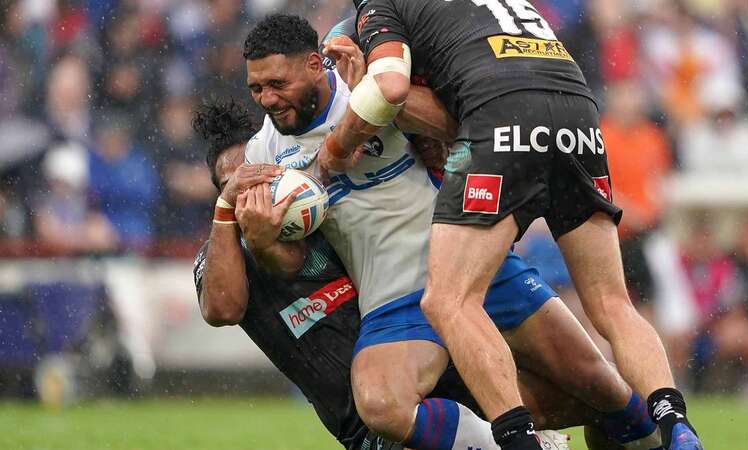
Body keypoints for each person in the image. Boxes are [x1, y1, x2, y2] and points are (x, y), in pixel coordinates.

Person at [241, 14, 660, 450]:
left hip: (475, 263)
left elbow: (470, 133)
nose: (267, 99)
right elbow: (291, 263)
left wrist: (378, 112)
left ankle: (661, 439)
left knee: (602, 390)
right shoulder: (264, 153)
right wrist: (262, 239)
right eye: (256, 88)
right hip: (394, 291)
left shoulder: (370, 83)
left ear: (313, 64)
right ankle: (519, 443)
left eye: (277, 84)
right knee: (383, 405)